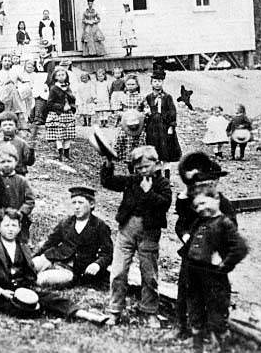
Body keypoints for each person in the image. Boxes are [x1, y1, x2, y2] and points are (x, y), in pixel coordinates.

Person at [100, 145, 172, 328]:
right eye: (138, 168)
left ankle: (150, 311)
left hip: (149, 233)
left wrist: (148, 192)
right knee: (118, 271)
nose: (142, 171)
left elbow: (164, 205)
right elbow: (108, 182)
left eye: (146, 166)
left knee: (149, 274)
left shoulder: (162, 184)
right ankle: (115, 310)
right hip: (126, 231)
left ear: (157, 164)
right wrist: (108, 163)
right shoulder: (132, 180)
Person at [174, 152, 237, 342]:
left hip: (212, 260)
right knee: (186, 291)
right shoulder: (194, 202)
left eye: (211, 181)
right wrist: (185, 236)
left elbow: (232, 227)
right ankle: (182, 327)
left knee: (215, 295)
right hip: (191, 256)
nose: (207, 186)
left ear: (217, 182)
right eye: (201, 182)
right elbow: (181, 222)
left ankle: (215, 330)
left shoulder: (223, 203)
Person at [184, 191, 248, 352]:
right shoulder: (200, 221)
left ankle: (220, 345)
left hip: (213, 276)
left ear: (216, 200)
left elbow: (240, 248)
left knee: (216, 310)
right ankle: (197, 345)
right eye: (197, 206)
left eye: (204, 203)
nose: (200, 208)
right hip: (194, 273)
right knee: (195, 308)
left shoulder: (224, 223)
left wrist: (224, 265)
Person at [32, 186, 112, 288]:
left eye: (80, 202)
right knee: (28, 268)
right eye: (74, 203)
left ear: (92, 204)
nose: (76, 207)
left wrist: (97, 264)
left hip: (71, 270)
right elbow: (49, 243)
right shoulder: (66, 222)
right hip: (52, 258)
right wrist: (35, 258)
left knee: (41, 280)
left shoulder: (100, 226)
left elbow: (108, 253)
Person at [0, 143, 34, 242]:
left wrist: (21, 212)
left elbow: (30, 200)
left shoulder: (22, 181)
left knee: (20, 243)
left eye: (9, 161)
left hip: (19, 219)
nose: (6, 164)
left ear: (16, 162)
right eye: (2, 162)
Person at [143, 69, 181, 180]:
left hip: (164, 128)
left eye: (159, 81)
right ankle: (159, 178)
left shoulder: (167, 97)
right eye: (155, 81)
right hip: (152, 129)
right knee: (156, 153)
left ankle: (167, 178)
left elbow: (172, 112)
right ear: (151, 83)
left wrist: (171, 126)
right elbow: (144, 111)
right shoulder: (148, 97)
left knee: (166, 153)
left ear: (162, 82)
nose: (157, 83)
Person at [44, 68, 76, 162]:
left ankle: (67, 154)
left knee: (68, 134)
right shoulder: (54, 88)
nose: (61, 76)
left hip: (68, 114)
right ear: (55, 77)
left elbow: (72, 100)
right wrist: (61, 107)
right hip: (58, 114)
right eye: (59, 75)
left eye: (63, 74)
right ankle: (60, 154)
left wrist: (71, 107)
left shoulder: (68, 87)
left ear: (66, 76)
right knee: (59, 135)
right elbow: (49, 103)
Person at [0, 111, 34, 176]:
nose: (8, 127)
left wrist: (31, 153)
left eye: (10, 124)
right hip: (0, 175)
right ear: (0, 127)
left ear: (16, 126)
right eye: (5, 125)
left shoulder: (22, 143)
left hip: (18, 173)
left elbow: (29, 162)